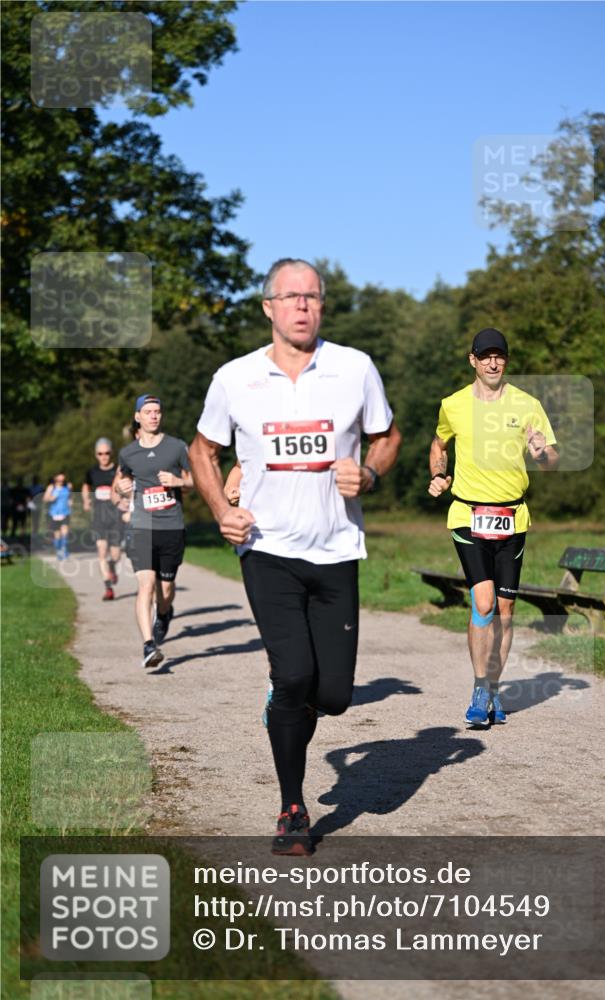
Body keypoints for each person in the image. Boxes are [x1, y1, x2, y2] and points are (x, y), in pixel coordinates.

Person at [190, 257, 401, 856]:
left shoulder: (354, 368)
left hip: (336, 550)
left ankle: (289, 703)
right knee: (294, 676)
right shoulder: (235, 378)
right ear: (269, 308)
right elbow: (204, 451)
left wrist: (371, 473)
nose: (303, 307)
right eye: (291, 297)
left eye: (313, 297)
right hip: (268, 551)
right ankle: (292, 807)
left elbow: (388, 436)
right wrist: (220, 511)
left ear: (321, 307)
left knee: (332, 693)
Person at [428, 328, 558, 726]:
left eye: (499, 355)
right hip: (468, 515)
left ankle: (496, 688)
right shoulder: (453, 405)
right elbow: (438, 445)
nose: (492, 362)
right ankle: (480, 685)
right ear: (473, 360)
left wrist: (541, 453)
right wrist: (439, 473)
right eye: (485, 356)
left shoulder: (528, 405)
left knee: (505, 610)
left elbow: (550, 459)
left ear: (506, 360)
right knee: (483, 603)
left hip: (512, 517)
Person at [113, 395, 193, 669]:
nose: (154, 416)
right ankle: (149, 645)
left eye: (157, 411)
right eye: (148, 412)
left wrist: (179, 480)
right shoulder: (128, 453)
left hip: (171, 527)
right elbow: (119, 483)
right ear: (138, 417)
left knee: (166, 588)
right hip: (141, 527)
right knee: (145, 584)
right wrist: (121, 489)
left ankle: (165, 612)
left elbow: (198, 479)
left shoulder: (177, 447)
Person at [82, 438, 124, 601]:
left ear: (111, 453)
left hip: (116, 516)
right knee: (101, 552)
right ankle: (108, 588)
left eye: (107, 453)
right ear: (96, 454)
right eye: (100, 454)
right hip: (99, 516)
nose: (104, 456)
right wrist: (86, 500)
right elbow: (86, 485)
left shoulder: (119, 470)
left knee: (116, 554)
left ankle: (112, 566)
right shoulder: (92, 472)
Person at [43, 473, 72, 559]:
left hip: (65, 512)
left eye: (62, 480)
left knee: (65, 532)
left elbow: (70, 497)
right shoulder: (51, 487)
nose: (61, 482)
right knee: (57, 534)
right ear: (55, 479)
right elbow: (45, 499)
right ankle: (59, 551)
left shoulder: (68, 486)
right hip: (54, 513)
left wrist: (70, 502)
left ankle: (64, 549)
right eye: (59, 480)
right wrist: (51, 498)